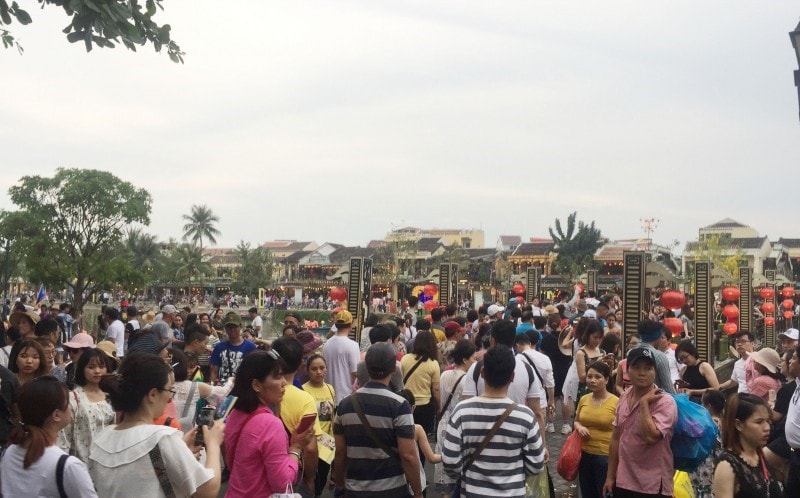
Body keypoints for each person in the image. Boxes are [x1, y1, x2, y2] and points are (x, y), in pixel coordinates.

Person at [90, 352, 224, 497]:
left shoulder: (101, 440)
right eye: (170, 390)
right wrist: (214, 444)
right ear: (153, 394)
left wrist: (182, 448)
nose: (169, 399)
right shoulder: (161, 438)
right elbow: (207, 490)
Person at [442, 345, 545, 497]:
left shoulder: (462, 412)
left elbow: (450, 462)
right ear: (512, 377)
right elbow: (536, 465)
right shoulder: (525, 416)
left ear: (482, 373)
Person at [333, 342, 423, 498]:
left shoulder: (345, 405)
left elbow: (340, 452)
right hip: (392, 489)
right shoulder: (400, 405)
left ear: (366, 366)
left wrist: (340, 484)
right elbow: (408, 455)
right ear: (394, 369)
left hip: (355, 489)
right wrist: (418, 492)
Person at [224, 350, 314, 497]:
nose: (284, 382)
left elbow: (232, 463)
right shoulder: (271, 424)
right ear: (256, 385)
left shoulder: (235, 413)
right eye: (278, 377)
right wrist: (296, 447)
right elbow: (282, 483)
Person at [0, 377, 98, 497]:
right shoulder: (68, 466)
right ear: (57, 415)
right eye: (68, 403)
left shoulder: (10, 451)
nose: (71, 408)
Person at [603, 347, 678, 498]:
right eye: (636, 368)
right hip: (623, 480)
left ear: (655, 372)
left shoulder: (665, 402)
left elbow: (651, 438)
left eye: (648, 368)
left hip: (652, 485)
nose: (642, 373)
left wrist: (644, 404)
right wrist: (610, 476)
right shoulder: (624, 396)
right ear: (627, 370)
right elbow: (616, 438)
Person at [713, 393, 783, 498]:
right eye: (759, 422)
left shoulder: (759, 455)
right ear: (739, 425)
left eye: (768, 421)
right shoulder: (727, 466)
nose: (767, 427)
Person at [57, 348, 116, 463]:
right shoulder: (73, 399)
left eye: (101, 367)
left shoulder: (112, 397)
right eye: (91, 367)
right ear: (82, 370)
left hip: (108, 463)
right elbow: (64, 436)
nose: (97, 371)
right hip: (81, 463)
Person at [432, 339, 475, 496]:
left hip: (443, 422)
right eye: (473, 359)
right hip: (458, 426)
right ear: (464, 359)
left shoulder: (444, 374)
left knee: (443, 462)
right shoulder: (467, 380)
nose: (474, 362)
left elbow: (439, 397)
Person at [574, 360, 618, 498]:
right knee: (587, 492)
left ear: (606, 380)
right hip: (585, 454)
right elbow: (576, 421)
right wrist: (580, 427)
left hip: (606, 457)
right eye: (589, 376)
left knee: (604, 493)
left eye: (597, 377)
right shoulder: (584, 399)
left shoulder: (616, 402)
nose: (592, 380)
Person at [168, 348, 233, 432]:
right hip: (186, 440)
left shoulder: (155, 389)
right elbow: (222, 393)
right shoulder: (193, 387)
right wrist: (230, 381)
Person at [303, 354, 337, 498]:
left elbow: (333, 415)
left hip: (327, 443)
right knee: (309, 480)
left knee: (322, 477)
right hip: (311, 444)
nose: (318, 372)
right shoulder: (303, 391)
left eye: (322, 368)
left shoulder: (330, 389)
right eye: (314, 369)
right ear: (308, 371)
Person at [399, 330, 441, 436]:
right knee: (422, 437)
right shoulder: (433, 363)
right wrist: (439, 405)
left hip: (406, 403)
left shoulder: (405, 359)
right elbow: (436, 389)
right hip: (424, 405)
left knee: (406, 435)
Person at [323, 310, 360, 405]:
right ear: (350, 325)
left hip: (328, 397)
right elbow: (355, 372)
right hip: (345, 397)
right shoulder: (353, 345)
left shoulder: (327, 344)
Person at [209, 311, 256, 384]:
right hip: (223, 389)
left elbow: (254, 371)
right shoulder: (219, 347)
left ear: (240, 326)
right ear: (225, 328)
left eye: (235, 326)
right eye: (229, 327)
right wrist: (212, 387)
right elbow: (214, 371)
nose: (232, 329)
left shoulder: (250, 347)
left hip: (243, 388)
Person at [675, 339, 720, 404]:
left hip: (705, 403)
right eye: (681, 359)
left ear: (692, 353)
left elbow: (716, 388)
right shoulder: (683, 370)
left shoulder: (704, 366)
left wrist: (693, 391)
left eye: (685, 357)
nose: (684, 361)